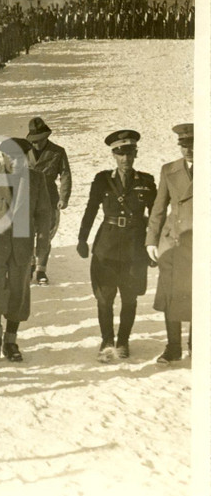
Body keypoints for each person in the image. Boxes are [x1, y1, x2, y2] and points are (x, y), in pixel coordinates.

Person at [77, 130, 157, 362]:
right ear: (113, 155)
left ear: (135, 153)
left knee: (130, 297)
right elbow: (91, 210)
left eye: (130, 153)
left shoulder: (147, 181)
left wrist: (153, 246)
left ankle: (123, 340)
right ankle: (107, 340)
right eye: (120, 154)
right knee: (105, 297)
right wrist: (82, 239)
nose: (125, 158)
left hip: (135, 247)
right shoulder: (103, 180)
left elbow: (155, 217)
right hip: (107, 246)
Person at [0, 138, 52, 362]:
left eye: (20, 158)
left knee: (19, 292)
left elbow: (44, 215)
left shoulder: (37, 179)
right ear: (2, 157)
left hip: (22, 243)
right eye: (10, 157)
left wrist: (41, 251)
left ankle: (10, 340)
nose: (15, 162)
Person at [145, 123, 193, 364]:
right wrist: (151, 240)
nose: (188, 150)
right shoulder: (169, 170)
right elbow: (159, 207)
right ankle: (173, 347)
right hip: (173, 243)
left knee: (200, 294)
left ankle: (196, 345)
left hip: (200, 243)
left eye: (192, 144)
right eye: (183, 145)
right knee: (171, 295)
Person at [26, 117, 72, 285]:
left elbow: (65, 174)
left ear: (46, 137)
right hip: (29, 199)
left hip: (49, 198)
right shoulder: (24, 151)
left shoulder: (58, 152)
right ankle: (30, 264)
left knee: (46, 235)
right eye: (34, 141)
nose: (37, 144)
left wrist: (63, 197)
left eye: (40, 141)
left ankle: (40, 270)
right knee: (29, 233)